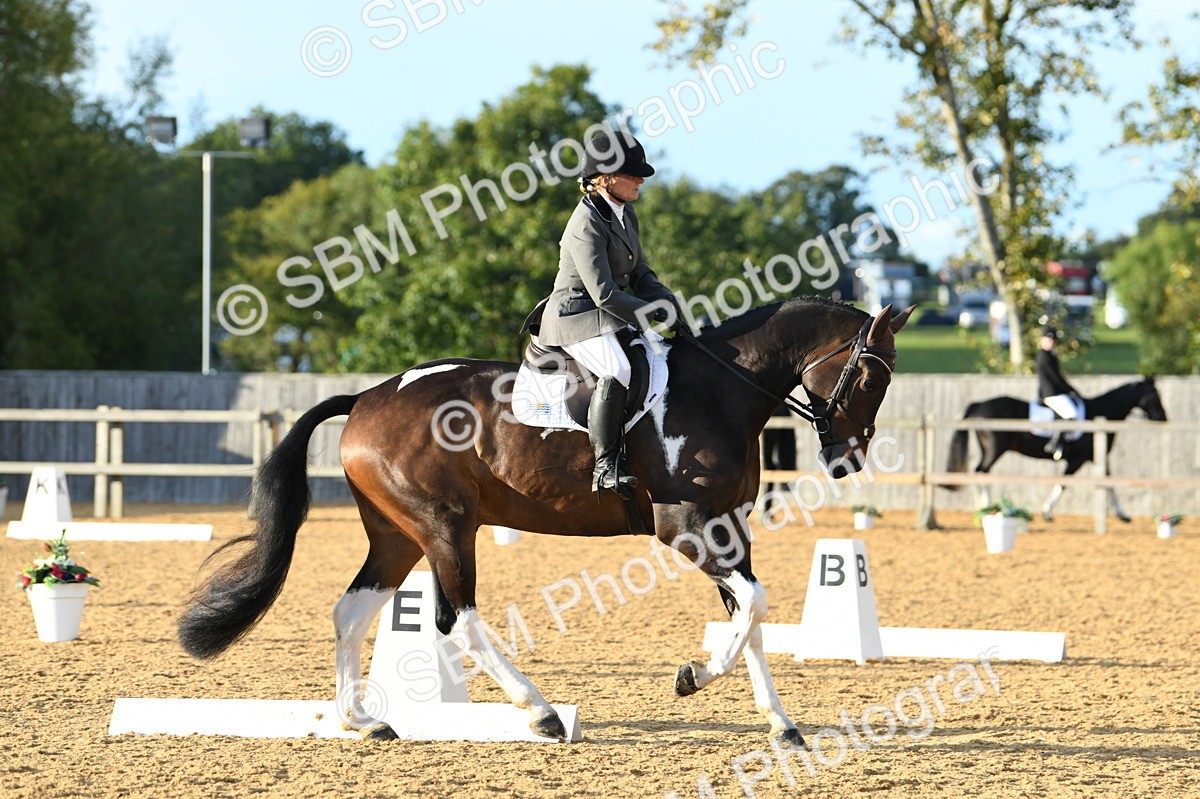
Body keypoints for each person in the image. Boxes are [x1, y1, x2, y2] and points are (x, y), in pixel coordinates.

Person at [536, 130, 680, 499]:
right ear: (605, 177)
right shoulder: (586, 222)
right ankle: (606, 465)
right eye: (632, 174)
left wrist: (669, 303)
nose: (641, 180)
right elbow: (602, 293)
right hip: (576, 316)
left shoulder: (623, 212)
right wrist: (650, 313)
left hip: (608, 313)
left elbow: (640, 273)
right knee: (618, 368)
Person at [1035, 324, 1080, 460]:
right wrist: (1070, 389)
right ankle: (1055, 443)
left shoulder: (1049, 355)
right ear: (1042, 340)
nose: (1051, 342)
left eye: (1053, 340)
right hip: (1052, 394)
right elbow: (1056, 378)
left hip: (1053, 392)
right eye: (1049, 339)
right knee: (1071, 414)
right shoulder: (1045, 356)